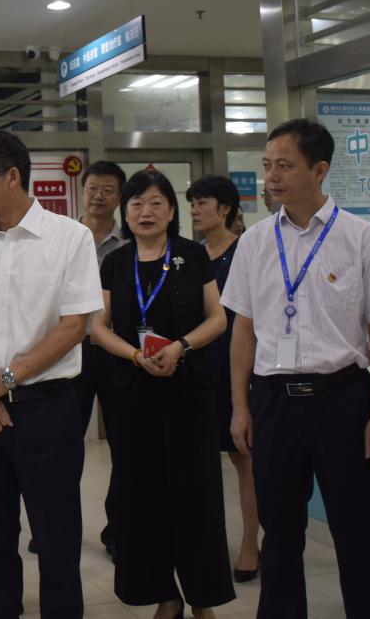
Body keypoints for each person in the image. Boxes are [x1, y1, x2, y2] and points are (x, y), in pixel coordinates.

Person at [223, 119, 370, 619]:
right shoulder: (254, 242)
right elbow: (243, 330)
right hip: (274, 401)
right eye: (267, 165)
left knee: (358, 532)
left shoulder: (364, 239)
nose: (271, 177)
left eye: (285, 166)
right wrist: (240, 407)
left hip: (343, 400)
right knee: (280, 535)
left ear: (319, 170)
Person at [0, 130, 102, 619]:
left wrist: (4, 380)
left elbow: (73, 328)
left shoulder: (69, 238)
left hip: (47, 409)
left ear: (12, 175)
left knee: (56, 538)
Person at [90, 169, 234, 619]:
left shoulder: (193, 254)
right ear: (125, 212)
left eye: (156, 203)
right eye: (136, 204)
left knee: (195, 496)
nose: (145, 212)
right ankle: (164, 596)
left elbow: (218, 318)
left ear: (172, 211)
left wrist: (181, 346)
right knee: (142, 497)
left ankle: (202, 598)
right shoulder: (116, 262)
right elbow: (97, 326)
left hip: (188, 392)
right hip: (134, 396)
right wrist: (135, 355)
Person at [187, 175, 260, 582]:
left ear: (226, 208)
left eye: (203, 202)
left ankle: (251, 543)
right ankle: (207, 544)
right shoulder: (192, 255)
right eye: (192, 203)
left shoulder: (246, 250)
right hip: (199, 367)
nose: (195, 210)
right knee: (201, 460)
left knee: (244, 457)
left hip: (240, 366)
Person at [72, 159, 127, 560]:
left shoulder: (130, 243)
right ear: (83, 190)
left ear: (119, 197)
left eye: (108, 190)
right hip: (69, 352)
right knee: (63, 444)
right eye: (93, 188)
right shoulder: (65, 239)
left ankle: (118, 529)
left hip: (117, 352)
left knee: (123, 444)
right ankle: (57, 525)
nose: (98, 196)